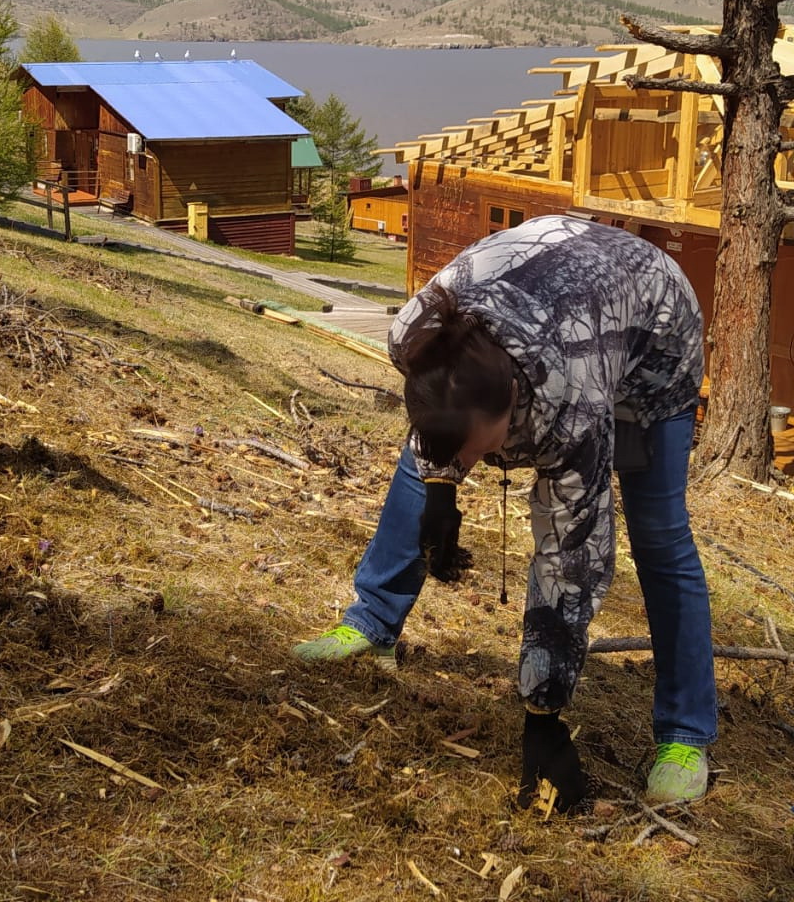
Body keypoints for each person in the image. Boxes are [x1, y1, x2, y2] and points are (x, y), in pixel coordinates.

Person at [293, 215, 717, 808]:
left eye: (478, 452)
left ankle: (685, 733)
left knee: (659, 534)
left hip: (654, 331)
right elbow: (434, 426)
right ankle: (373, 622)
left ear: (513, 406)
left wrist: (544, 713)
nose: (468, 465)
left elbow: (569, 561)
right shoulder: (417, 336)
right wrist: (440, 484)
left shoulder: (572, 406)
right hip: (559, 286)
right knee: (419, 467)